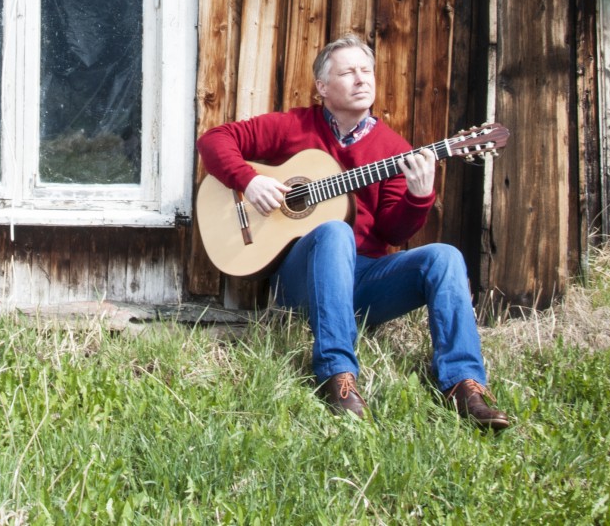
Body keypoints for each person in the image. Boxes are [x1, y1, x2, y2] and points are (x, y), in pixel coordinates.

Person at [195, 34, 510, 430]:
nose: (362, 80)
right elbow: (214, 140)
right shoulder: (293, 126)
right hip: (303, 282)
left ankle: (464, 385)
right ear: (323, 88)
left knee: (445, 256)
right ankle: (337, 377)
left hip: (365, 284)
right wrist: (250, 180)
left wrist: (419, 196)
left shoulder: (394, 150)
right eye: (348, 72)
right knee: (333, 232)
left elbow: (394, 231)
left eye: (367, 71)